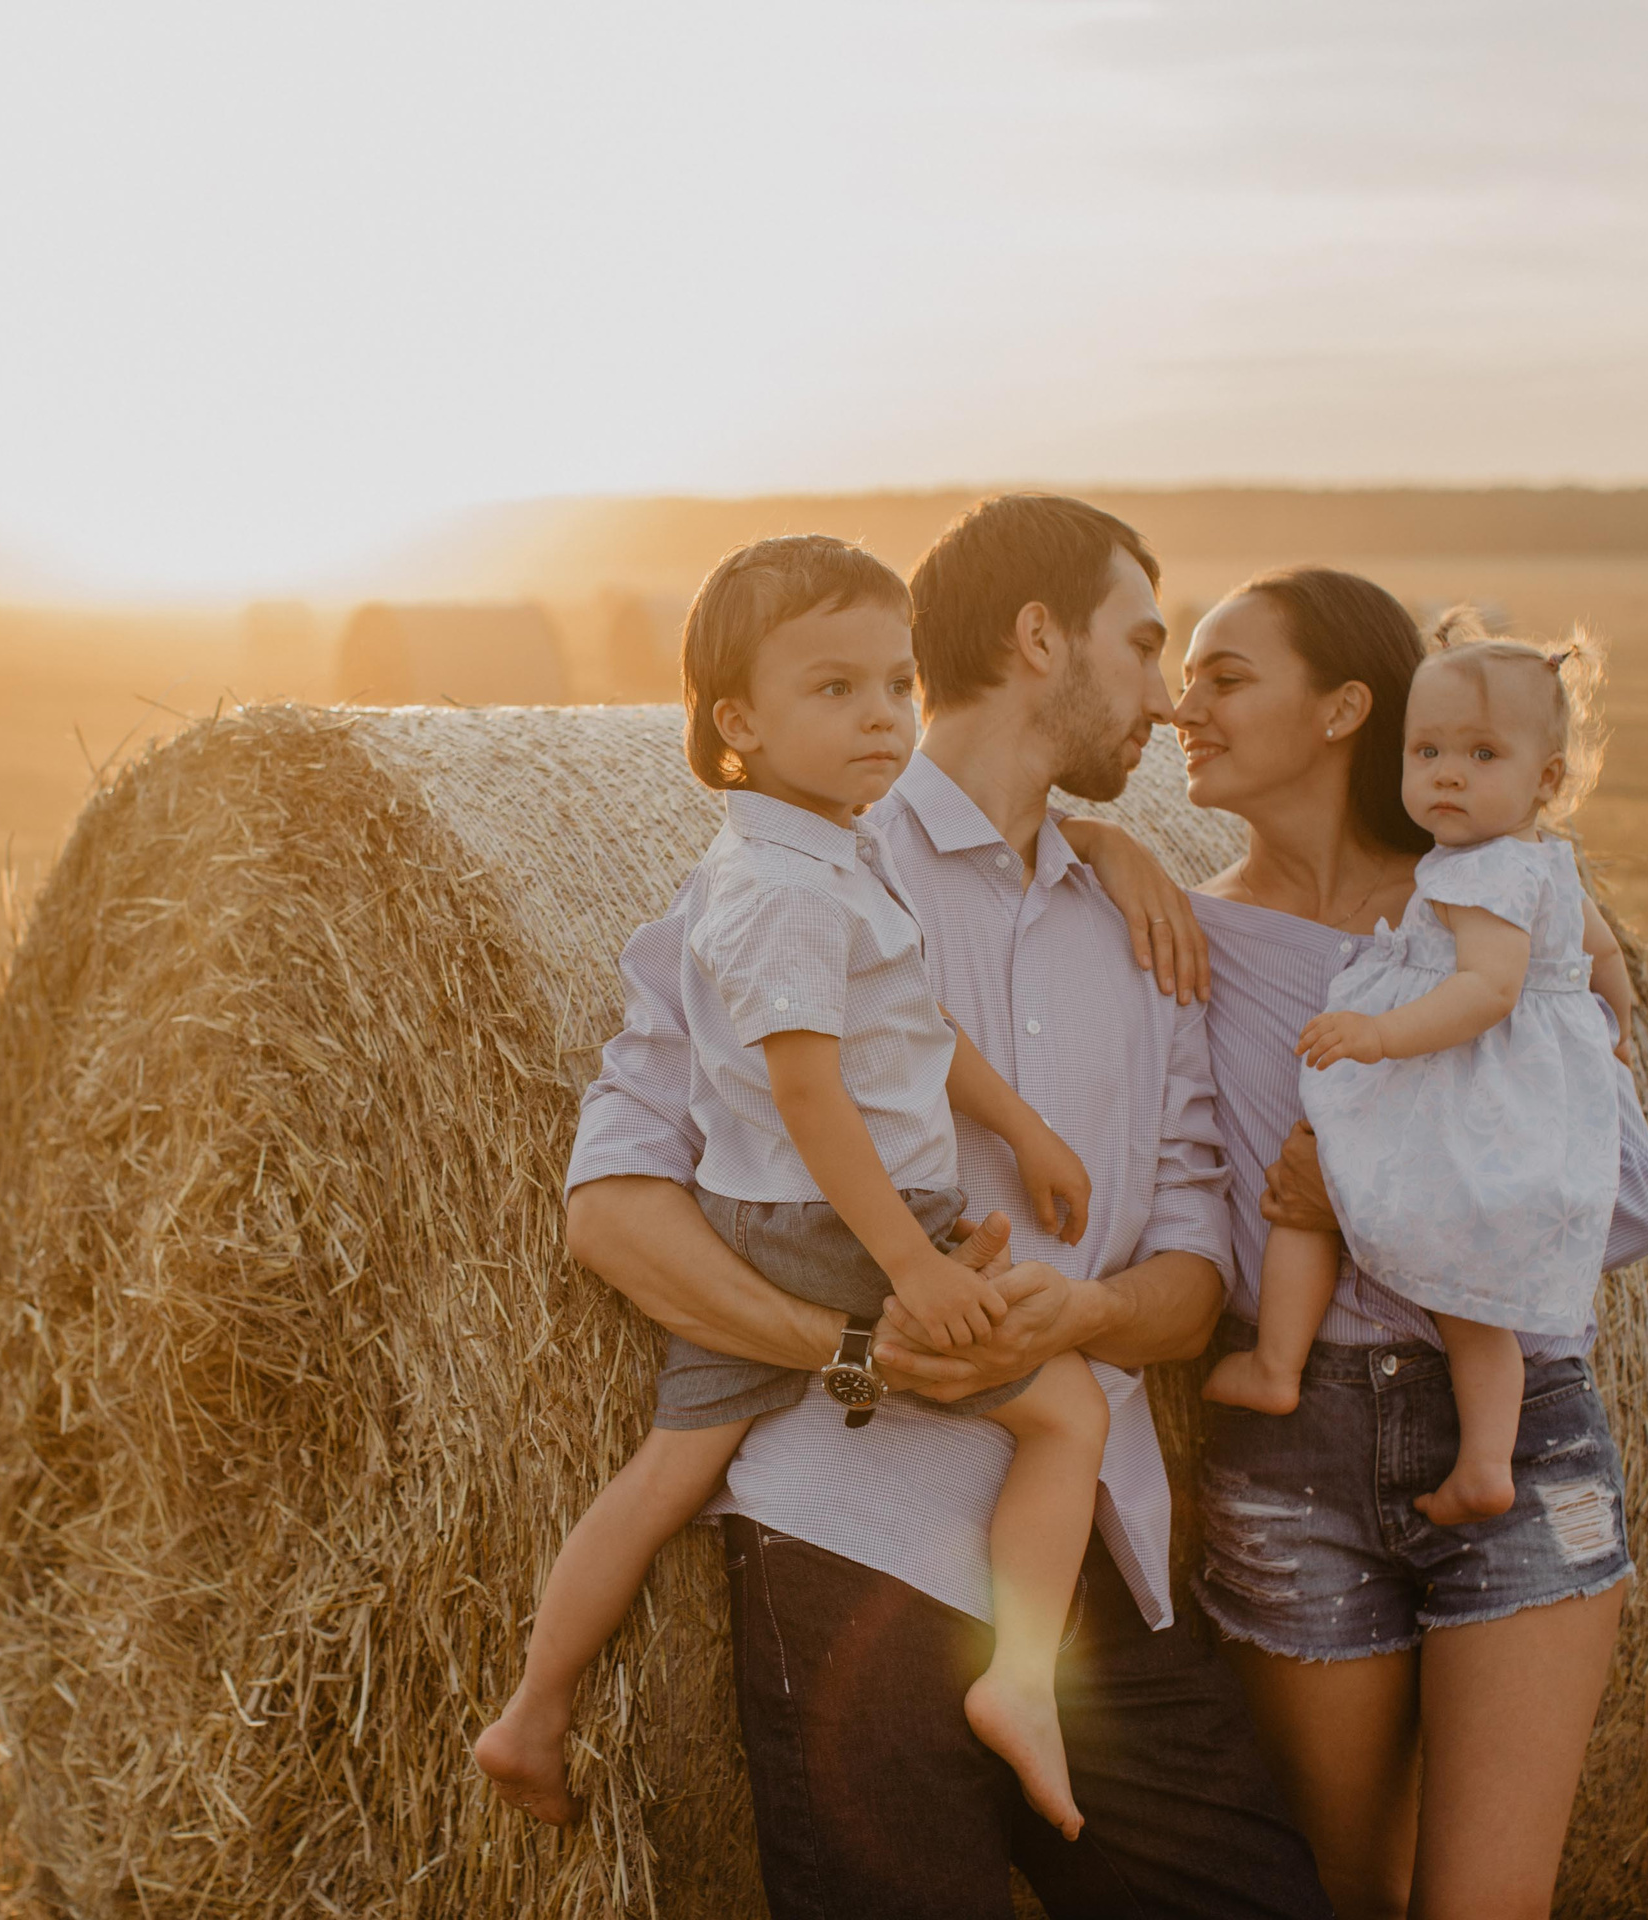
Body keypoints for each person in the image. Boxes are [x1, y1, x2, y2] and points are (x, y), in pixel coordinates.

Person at [561, 495, 1332, 1920]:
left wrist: (1091, 1309)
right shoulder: (800, 865)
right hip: (857, 1539)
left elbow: (1195, 1259)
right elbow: (611, 1211)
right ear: (1040, 638)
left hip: (1089, 1558)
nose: (1167, 702)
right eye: (1145, 644)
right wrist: (858, 1348)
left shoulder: (1145, 931)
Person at [474, 535, 1110, 1838]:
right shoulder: (788, 891)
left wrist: (1019, 1122)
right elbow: (813, 1098)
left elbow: (913, 1024)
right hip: (838, 1235)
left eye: (897, 684)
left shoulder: (815, 852)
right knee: (1068, 1413)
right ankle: (1027, 1685)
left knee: (660, 1481)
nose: (882, 714)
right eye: (836, 690)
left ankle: (530, 1714)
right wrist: (917, 1266)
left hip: (763, 1229)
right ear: (738, 723)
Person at [1064, 568, 1648, 1920]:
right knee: (1347, 1898)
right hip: (1293, 1464)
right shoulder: (1173, 940)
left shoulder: (1495, 933)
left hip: (1514, 1443)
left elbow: (1621, 1202)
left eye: (1225, 677)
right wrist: (1098, 846)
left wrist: (1368, 1198)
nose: (1179, 707)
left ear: (1345, 708)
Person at [1201, 617, 1635, 1527]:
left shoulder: (1479, 879)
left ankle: (1282, 1364)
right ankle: (1480, 1458)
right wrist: (1619, 1026)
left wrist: (1379, 1034)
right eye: (1428, 750)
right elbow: (1602, 950)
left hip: (1440, 1074)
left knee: (1312, 1177)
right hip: (1483, 1097)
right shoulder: (1540, 867)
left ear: (1547, 780)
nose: (1447, 773)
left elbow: (1486, 988)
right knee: (1466, 1297)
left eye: (1481, 754)